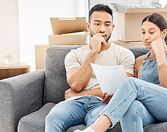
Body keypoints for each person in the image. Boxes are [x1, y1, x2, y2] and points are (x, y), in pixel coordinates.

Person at [79, 13, 167, 132]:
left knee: (132, 83)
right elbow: (135, 93)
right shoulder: (140, 61)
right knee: (132, 108)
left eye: (151, 32)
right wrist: (116, 97)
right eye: (143, 32)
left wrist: (160, 54)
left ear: (164, 33)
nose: (146, 37)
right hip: (152, 109)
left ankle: (96, 128)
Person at [45, 4, 135, 132]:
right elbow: (76, 85)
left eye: (107, 24)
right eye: (97, 24)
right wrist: (93, 52)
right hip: (75, 103)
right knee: (52, 118)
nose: (102, 29)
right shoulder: (74, 55)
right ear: (88, 26)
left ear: (113, 28)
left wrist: (83, 93)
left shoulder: (124, 54)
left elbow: (125, 88)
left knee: (97, 123)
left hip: (103, 104)